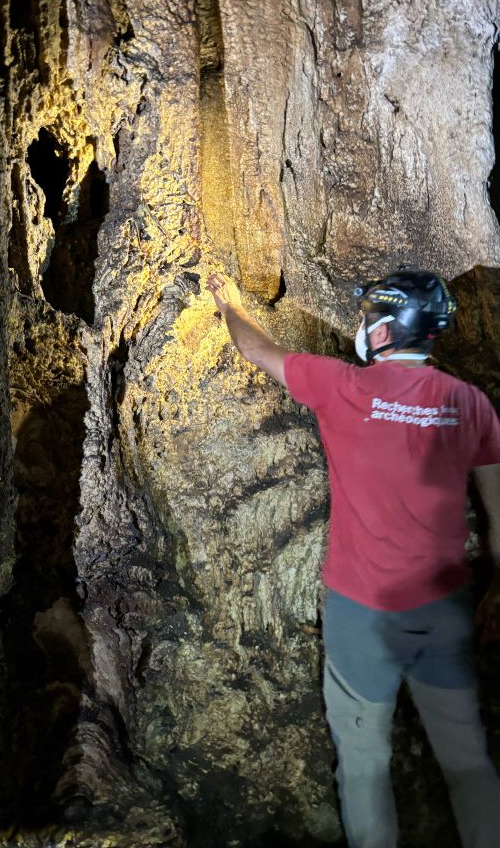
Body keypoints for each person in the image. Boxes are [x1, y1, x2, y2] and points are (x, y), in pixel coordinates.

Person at [206, 269, 500, 848]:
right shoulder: (469, 404)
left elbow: (256, 348)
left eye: (370, 317)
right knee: (467, 759)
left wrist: (229, 303)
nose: (362, 327)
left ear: (390, 329)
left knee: (364, 764)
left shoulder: (341, 385)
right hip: (442, 612)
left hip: (361, 613)